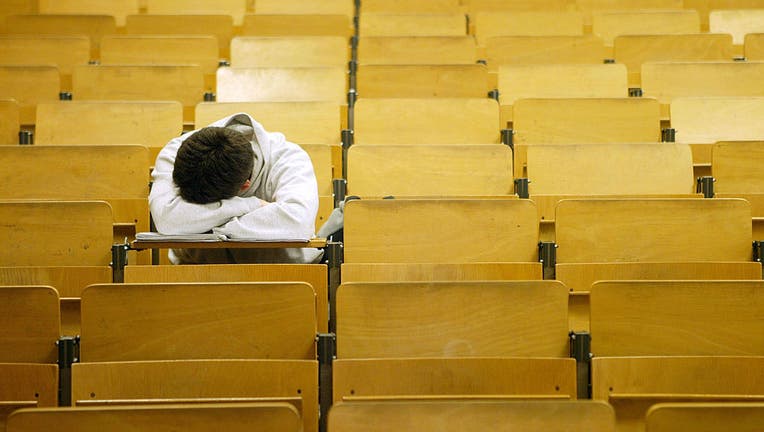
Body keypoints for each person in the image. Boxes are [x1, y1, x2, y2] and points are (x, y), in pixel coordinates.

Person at [149, 112, 325, 264]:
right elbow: (167, 220)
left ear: (245, 185)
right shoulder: (176, 152)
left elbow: (297, 223)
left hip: (282, 270)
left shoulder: (289, 158)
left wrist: (198, 226)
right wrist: (252, 205)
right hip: (195, 269)